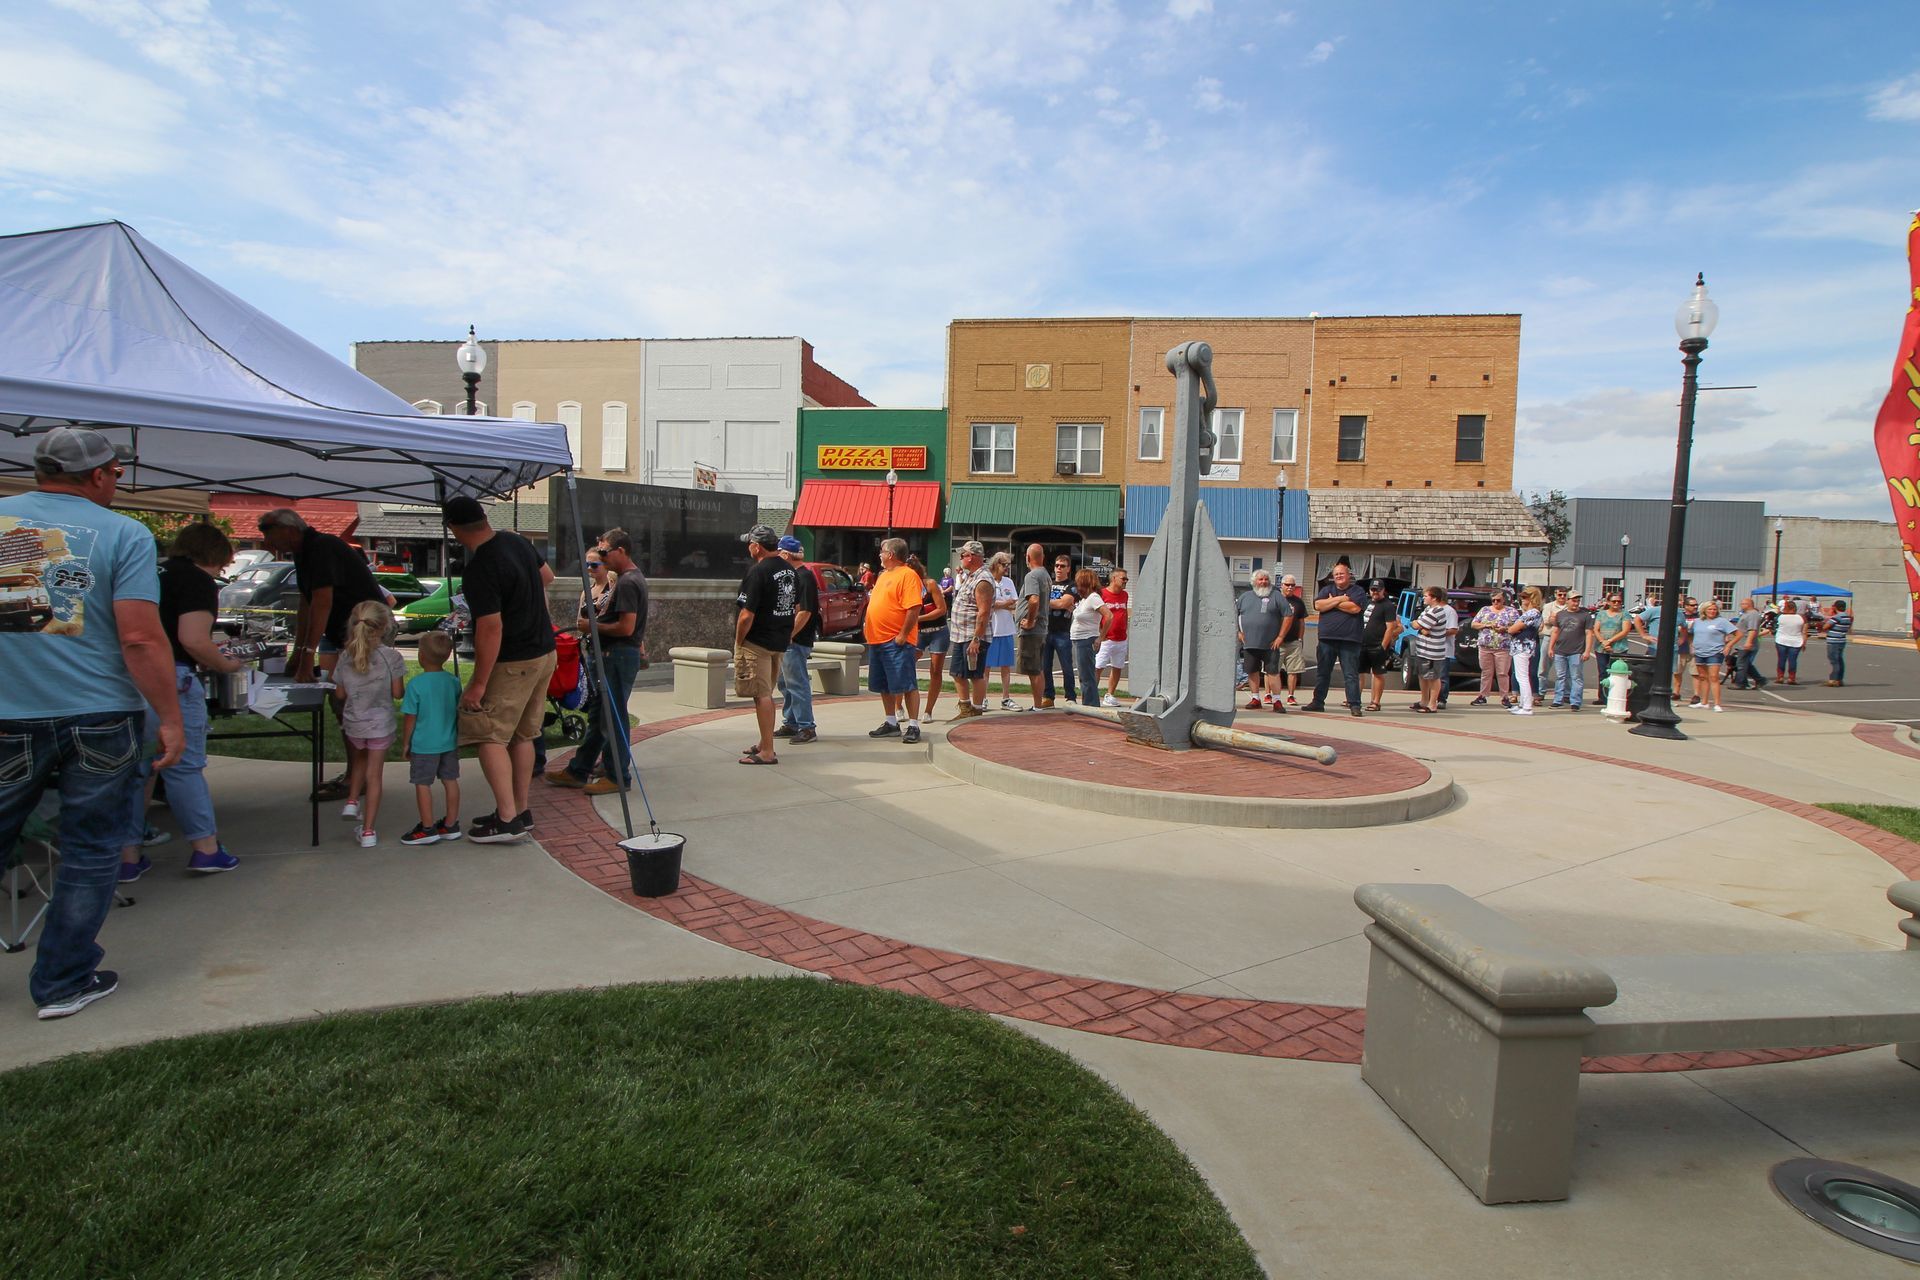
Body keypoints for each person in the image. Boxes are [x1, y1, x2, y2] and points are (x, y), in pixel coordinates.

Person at [0, 427, 184, 1020]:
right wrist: (172, 718)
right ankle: (61, 982)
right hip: (99, 714)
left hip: (8, 711)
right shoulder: (124, 534)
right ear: (100, 475)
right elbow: (138, 636)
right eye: (115, 473)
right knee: (90, 849)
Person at [124, 521, 247, 877]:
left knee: (138, 769)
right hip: (172, 678)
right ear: (212, 554)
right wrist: (226, 663)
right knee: (182, 764)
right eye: (222, 564)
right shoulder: (196, 580)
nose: (222, 571)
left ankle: (126, 857)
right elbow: (192, 639)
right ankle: (206, 849)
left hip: (130, 677)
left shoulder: (152, 572)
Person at [445, 495, 556, 842]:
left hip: (514, 661)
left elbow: (490, 628)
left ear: (454, 530)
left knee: (488, 734)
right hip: (544, 653)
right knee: (524, 734)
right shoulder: (515, 540)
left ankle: (507, 819)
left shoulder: (479, 568)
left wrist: (478, 684)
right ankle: (520, 811)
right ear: (483, 518)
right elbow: (547, 576)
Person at [549, 527, 647, 792]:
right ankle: (579, 769)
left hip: (616, 655)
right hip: (609, 655)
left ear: (621, 551)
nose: (601, 558)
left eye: (604, 552)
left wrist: (590, 626)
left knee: (613, 718)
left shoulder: (627, 582)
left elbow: (626, 628)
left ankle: (617, 777)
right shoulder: (627, 579)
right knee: (599, 715)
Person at [257, 507, 384, 687]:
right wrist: (299, 653)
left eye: (270, 536)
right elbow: (306, 603)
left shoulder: (322, 547)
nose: (267, 542)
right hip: (346, 631)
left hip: (368, 629)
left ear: (289, 530)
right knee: (340, 692)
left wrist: (307, 655)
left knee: (355, 693)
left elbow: (321, 602)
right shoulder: (302, 553)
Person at [331, 599, 405, 847]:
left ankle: (352, 802)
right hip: (380, 724)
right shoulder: (391, 657)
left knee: (359, 758)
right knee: (375, 776)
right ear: (384, 627)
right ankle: (369, 831)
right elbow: (397, 693)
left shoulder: (345, 656)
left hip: (354, 722)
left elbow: (339, 695)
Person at [735, 524, 796, 763]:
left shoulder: (758, 571)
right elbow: (794, 606)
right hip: (778, 641)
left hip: (757, 642)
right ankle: (764, 741)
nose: (748, 548)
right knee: (766, 693)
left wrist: (740, 640)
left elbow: (746, 614)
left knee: (761, 696)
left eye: (749, 543)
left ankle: (767, 751)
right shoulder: (789, 570)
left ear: (756, 546)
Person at [399, 630, 463, 846]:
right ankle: (451, 824)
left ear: (421, 656)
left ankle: (427, 827)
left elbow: (410, 718)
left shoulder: (416, 685)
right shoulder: (453, 682)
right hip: (449, 742)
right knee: (450, 780)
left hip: (424, 744)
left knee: (422, 783)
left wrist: (406, 741)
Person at [863, 537, 924, 744]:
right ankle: (891, 722)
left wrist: (903, 635)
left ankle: (914, 725)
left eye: (882, 551)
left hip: (896, 641)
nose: (879, 554)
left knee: (906, 683)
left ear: (891, 554)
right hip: (877, 640)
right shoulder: (883, 575)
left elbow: (913, 608)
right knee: (884, 685)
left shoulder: (908, 575)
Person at [774, 537, 822, 743]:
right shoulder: (793, 576)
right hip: (787, 640)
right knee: (785, 683)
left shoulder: (804, 577)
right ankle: (791, 722)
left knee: (797, 683)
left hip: (796, 641)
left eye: (778, 553)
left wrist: (788, 635)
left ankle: (807, 726)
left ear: (785, 555)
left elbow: (805, 612)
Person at [1303, 562, 1367, 716]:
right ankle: (1318, 702)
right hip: (1326, 639)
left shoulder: (1358, 591)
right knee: (1323, 673)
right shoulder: (1326, 589)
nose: (1338, 576)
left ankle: (1354, 704)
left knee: (1350, 674)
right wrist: (1341, 599)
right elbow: (1318, 605)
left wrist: (1332, 602)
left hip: (1350, 640)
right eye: (1336, 574)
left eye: (1342, 573)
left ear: (1349, 575)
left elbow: (1355, 608)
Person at [945, 541, 995, 720]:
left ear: (972, 557)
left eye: (963, 555)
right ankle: (965, 708)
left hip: (972, 637)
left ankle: (976, 708)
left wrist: (976, 639)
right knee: (957, 673)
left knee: (975, 674)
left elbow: (983, 612)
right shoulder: (971, 576)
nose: (960, 559)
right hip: (960, 635)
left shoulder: (983, 580)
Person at [1235, 570, 1288, 712]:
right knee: (1252, 671)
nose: (1263, 582)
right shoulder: (1244, 597)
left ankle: (1277, 701)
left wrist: (1280, 637)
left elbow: (1288, 616)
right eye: (1260, 579)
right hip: (1249, 643)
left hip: (1271, 644)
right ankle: (1255, 698)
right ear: (1254, 582)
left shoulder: (1277, 596)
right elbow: (1234, 614)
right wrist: (1238, 632)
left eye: (1266, 579)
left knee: (1273, 672)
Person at [908, 553, 950, 720]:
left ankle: (928, 711)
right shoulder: (907, 587)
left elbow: (942, 609)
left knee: (936, 670)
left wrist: (919, 618)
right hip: (918, 632)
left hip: (938, 630)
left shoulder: (930, 584)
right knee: (906, 665)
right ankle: (900, 707)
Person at [1016, 543, 1052, 712]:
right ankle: (1039, 703)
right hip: (1042, 628)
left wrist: (1030, 621)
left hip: (1033, 631)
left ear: (1028, 558)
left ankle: (1037, 706)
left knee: (1033, 670)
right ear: (1042, 557)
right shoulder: (1045, 574)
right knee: (1038, 668)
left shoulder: (1032, 576)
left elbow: (1034, 600)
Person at [1410, 586, 1457, 713]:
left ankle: (1432, 704)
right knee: (1422, 676)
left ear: (1434, 598)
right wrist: (1419, 625)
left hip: (1433, 650)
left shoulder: (1438, 611)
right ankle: (1424, 701)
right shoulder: (1427, 610)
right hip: (1422, 649)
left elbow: (1418, 625)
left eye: (1426, 596)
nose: (1424, 598)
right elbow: (1415, 624)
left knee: (1433, 677)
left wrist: (1419, 625)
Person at [1041, 552, 1079, 708]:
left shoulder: (1072, 586)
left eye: (1062, 566)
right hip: (1045, 630)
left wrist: (1045, 602)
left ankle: (1070, 697)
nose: (1058, 569)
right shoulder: (1048, 583)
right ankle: (1048, 696)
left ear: (1068, 569)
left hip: (1062, 632)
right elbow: (1037, 600)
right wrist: (1055, 602)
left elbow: (1064, 603)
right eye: (1057, 565)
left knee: (1066, 667)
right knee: (1045, 666)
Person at [1357, 579, 1401, 713]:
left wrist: (1383, 646)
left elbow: (1390, 628)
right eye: (1373, 590)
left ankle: (1375, 701)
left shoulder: (1388, 606)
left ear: (1383, 590)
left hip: (1377, 645)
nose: (1375, 592)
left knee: (1377, 674)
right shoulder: (1367, 602)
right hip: (1362, 644)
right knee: (1358, 672)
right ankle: (1355, 699)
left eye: (1378, 590)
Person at [1470, 589, 1517, 707]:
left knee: (1502, 673)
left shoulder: (1511, 611)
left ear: (1504, 600)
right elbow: (1474, 624)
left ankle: (1505, 697)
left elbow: (1517, 627)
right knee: (1486, 672)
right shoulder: (1484, 610)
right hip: (1485, 646)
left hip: (1503, 647)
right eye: (1493, 600)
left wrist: (1505, 629)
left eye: (1498, 600)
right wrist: (1487, 625)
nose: (1496, 602)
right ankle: (1483, 695)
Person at [1548, 590, 1593, 710]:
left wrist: (1587, 651)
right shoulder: (1560, 614)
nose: (1576, 603)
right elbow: (1556, 631)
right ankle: (1558, 700)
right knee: (1560, 676)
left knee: (1576, 677)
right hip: (1560, 650)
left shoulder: (1585, 615)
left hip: (1576, 651)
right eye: (1573, 600)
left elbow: (1588, 634)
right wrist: (1551, 647)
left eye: (1578, 600)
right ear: (1567, 601)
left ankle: (1575, 702)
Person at [1689, 600, 1737, 712]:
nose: (1712, 611)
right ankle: (1704, 702)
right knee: (1702, 677)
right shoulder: (1697, 621)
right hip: (1700, 652)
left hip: (1715, 652)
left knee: (1714, 677)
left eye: (1714, 609)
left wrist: (1728, 645)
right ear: (1704, 610)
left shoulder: (1722, 622)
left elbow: (1738, 634)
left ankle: (1717, 703)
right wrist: (1691, 645)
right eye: (1710, 609)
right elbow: (1690, 634)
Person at [1068, 567, 1105, 708]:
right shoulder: (1085, 600)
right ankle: (1088, 703)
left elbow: (1108, 616)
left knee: (1087, 676)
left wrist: (1100, 637)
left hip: (1086, 639)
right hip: (1078, 640)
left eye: (1078, 583)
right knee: (1083, 675)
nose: (1076, 586)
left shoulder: (1093, 598)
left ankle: (1091, 705)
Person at [986, 552, 1019, 710]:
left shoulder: (1009, 582)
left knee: (1006, 666)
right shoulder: (986, 581)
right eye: (1004, 565)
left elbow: (1015, 603)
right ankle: (982, 698)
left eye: (1008, 565)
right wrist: (1004, 604)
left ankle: (1006, 699)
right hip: (990, 629)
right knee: (985, 666)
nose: (1007, 568)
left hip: (1006, 629)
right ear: (995, 564)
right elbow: (986, 604)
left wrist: (1003, 604)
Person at [1097, 567, 1131, 707]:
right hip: (1106, 639)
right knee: (1098, 667)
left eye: (1126, 579)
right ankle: (1091, 694)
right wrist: (1100, 634)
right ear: (1114, 578)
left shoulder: (1125, 595)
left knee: (1117, 667)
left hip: (1121, 638)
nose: (1125, 581)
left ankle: (1110, 694)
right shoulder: (1101, 594)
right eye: (1123, 579)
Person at [1507, 586, 1544, 714]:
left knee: (1522, 676)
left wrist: (1513, 628)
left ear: (1532, 598)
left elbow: (1512, 629)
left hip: (1523, 646)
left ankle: (1527, 706)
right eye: (1521, 597)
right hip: (1519, 646)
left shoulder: (1533, 613)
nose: (1522, 599)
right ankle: (1523, 703)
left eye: (1525, 597)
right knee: (1519, 675)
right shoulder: (1529, 613)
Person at [1276, 574, 1308, 704]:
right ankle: (1271, 695)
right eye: (1287, 585)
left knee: (1293, 671)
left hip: (1293, 641)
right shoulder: (1275, 599)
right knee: (1272, 670)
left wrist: (1300, 638)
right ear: (1281, 585)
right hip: (1276, 642)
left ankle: (1290, 696)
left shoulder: (1298, 602)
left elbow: (1301, 622)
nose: (1290, 587)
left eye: (1292, 585)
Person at [1591, 594, 1632, 692]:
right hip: (1601, 648)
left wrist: (1609, 641)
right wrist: (1603, 641)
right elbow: (1596, 629)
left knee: (1616, 673)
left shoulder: (1624, 614)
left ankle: (1614, 694)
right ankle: (1602, 696)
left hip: (1618, 648)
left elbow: (1625, 631)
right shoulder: (1601, 614)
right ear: (1608, 602)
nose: (1616, 603)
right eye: (1614, 601)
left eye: (1619, 601)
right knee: (1602, 672)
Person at [1728, 597, 1768, 691]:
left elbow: (1752, 630)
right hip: (1741, 642)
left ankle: (1740, 683)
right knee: (1746, 663)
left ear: (1749, 604)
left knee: (1741, 663)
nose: (1741, 605)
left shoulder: (1753, 615)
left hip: (1747, 643)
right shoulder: (1746, 614)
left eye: (1743, 604)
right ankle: (1760, 680)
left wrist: (1749, 642)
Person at [1538, 585, 1568, 694]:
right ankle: (1541, 692)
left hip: (1565, 639)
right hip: (1548, 637)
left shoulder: (1569, 606)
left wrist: (1555, 618)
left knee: (1564, 670)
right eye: (1560, 595)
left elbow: (1569, 623)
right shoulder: (1548, 606)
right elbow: (1546, 621)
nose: (1562, 597)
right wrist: (1561, 620)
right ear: (1555, 595)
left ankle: (1565, 693)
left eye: (1564, 595)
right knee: (1543, 667)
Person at [1774, 599, 1806, 685]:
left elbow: (1775, 626)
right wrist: (1804, 642)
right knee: (1793, 660)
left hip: (1781, 639)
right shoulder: (1801, 618)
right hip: (1796, 641)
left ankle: (1780, 677)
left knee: (1781, 659)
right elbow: (1804, 632)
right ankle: (1791, 678)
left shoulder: (1780, 617)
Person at [1821, 600, 1852, 686]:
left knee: (1834, 660)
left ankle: (1833, 679)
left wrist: (1823, 624)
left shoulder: (1836, 617)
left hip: (1833, 640)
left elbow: (1825, 627)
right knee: (1839, 659)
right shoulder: (1847, 617)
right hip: (1841, 640)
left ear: (1835, 607)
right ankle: (1839, 679)